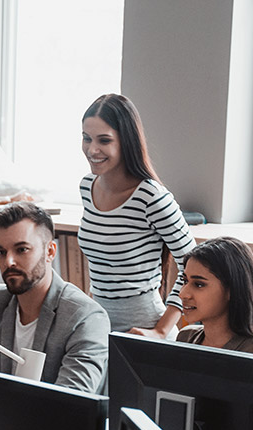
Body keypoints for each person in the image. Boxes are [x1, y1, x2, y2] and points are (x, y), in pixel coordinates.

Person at [78, 93, 195, 336]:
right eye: (87, 138)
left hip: (143, 326)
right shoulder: (86, 187)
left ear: (126, 141)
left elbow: (193, 264)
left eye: (104, 140)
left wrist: (161, 330)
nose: (92, 149)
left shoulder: (151, 196)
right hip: (97, 323)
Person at [0, 202, 109, 394]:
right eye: (1, 252)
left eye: (21, 249)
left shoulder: (86, 318)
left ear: (50, 252)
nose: (9, 262)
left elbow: (71, 404)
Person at [176, 237, 253, 352]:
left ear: (232, 289)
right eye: (185, 281)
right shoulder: (185, 337)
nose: (183, 294)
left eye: (199, 284)